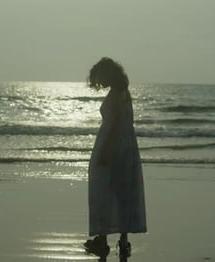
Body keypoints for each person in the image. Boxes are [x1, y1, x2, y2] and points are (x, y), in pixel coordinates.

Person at [84, 57, 147, 258]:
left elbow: (115, 125)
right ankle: (122, 239)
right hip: (126, 147)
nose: (99, 82)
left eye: (101, 77)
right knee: (123, 193)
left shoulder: (118, 94)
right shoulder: (122, 92)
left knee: (103, 190)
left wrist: (105, 151)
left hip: (114, 146)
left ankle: (103, 240)